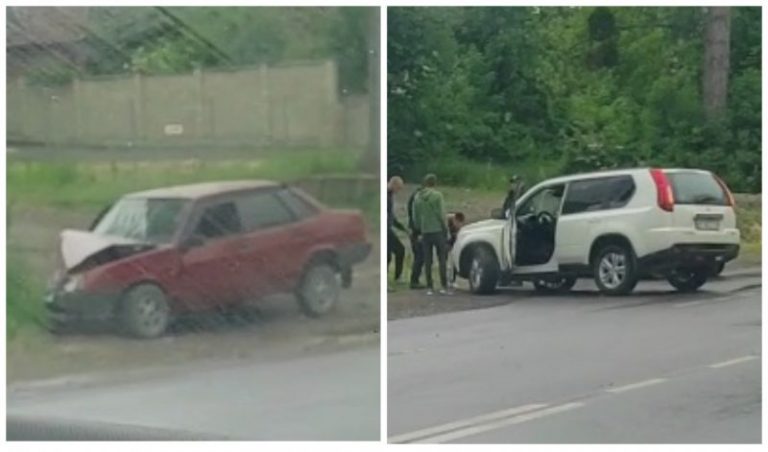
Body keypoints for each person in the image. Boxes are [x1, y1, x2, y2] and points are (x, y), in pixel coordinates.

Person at [413, 173, 451, 296]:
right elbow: (441, 213)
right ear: (435, 183)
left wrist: (419, 228)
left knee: (428, 260)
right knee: (442, 259)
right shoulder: (437, 196)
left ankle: (430, 286)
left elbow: (415, 216)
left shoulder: (417, 197)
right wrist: (445, 228)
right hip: (437, 230)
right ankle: (444, 285)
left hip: (425, 231)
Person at [387, 176, 407, 287]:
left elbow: (391, 217)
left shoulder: (389, 195)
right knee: (399, 250)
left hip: (388, 228)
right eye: (398, 188)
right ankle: (396, 278)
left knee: (390, 255)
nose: (398, 191)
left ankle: (396, 277)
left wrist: (402, 228)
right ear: (394, 185)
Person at [406, 183, 425, 289]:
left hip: (413, 231)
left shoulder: (412, 200)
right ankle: (414, 281)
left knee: (418, 256)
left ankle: (415, 279)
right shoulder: (417, 201)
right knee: (419, 256)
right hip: (416, 231)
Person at [446, 211, 465, 288]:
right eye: (459, 223)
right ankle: (449, 281)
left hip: (452, 245)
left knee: (453, 264)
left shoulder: (455, 225)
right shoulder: (448, 224)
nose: (460, 226)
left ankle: (452, 280)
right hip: (447, 245)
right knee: (449, 264)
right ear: (456, 220)